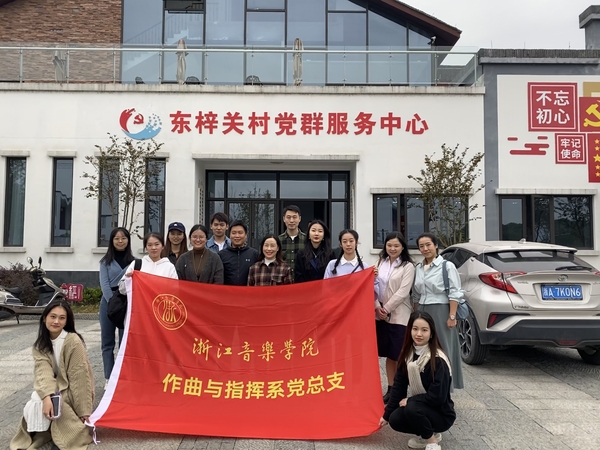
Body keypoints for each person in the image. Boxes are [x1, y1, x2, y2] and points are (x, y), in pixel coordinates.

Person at [10, 300, 94, 450]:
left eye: (62, 318)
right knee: (37, 399)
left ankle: (63, 436)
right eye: (53, 316)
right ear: (44, 318)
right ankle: (43, 432)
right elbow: (43, 373)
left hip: (71, 388)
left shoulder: (73, 341)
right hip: (54, 387)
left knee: (60, 402)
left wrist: (84, 410)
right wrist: (46, 396)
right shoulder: (40, 345)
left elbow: (80, 377)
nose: (56, 321)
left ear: (67, 321)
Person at [379, 311, 455, 450]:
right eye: (415, 329)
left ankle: (432, 441)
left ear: (431, 333)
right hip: (422, 406)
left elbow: (438, 396)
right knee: (395, 419)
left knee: (412, 408)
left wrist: (410, 400)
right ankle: (426, 432)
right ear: (409, 330)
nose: (419, 334)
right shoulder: (408, 355)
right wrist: (386, 415)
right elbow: (398, 387)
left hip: (441, 414)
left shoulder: (438, 360)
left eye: (424, 330)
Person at [412, 232, 464, 390]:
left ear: (436, 246)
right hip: (422, 310)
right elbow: (415, 294)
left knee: (443, 348)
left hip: (441, 310)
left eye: (428, 245)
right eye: (421, 246)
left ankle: (445, 387)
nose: (425, 249)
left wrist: (452, 316)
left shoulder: (447, 266)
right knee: (423, 348)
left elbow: (455, 292)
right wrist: (415, 315)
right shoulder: (418, 268)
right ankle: (426, 384)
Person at [375, 232, 415, 404]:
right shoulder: (380, 262)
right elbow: (372, 285)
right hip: (380, 315)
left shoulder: (408, 266)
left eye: (396, 245)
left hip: (399, 315)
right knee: (388, 354)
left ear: (403, 247)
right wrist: (377, 306)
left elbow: (403, 292)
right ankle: (391, 390)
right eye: (389, 245)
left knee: (399, 354)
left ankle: (400, 390)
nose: (392, 248)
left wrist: (386, 308)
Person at [98, 227, 134, 388]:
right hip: (108, 303)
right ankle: (109, 377)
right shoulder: (104, 262)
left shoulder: (134, 262)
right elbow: (105, 285)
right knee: (107, 342)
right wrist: (113, 303)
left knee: (124, 342)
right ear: (112, 241)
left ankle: (122, 376)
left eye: (123, 238)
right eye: (117, 238)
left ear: (128, 240)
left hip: (127, 303)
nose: (120, 241)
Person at [218, 220, 259, 286]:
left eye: (240, 233)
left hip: (248, 291)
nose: (237, 236)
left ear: (246, 235)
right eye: (234, 233)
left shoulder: (254, 254)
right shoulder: (221, 255)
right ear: (229, 235)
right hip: (227, 291)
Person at [278, 205, 306, 279]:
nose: (291, 220)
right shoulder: (278, 241)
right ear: (284, 219)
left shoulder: (307, 240)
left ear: (299, 219)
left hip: (302, 282)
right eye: (288, 217)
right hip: (283, 281)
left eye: (294, 217)